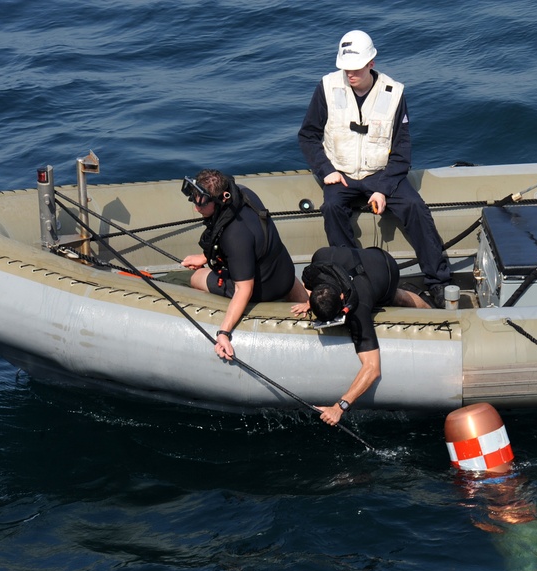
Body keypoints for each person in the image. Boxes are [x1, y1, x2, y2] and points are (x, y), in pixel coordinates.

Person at [298, 29, 452, 308]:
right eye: (345, 68)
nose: (349, 74)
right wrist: (325, 170)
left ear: (371, 63)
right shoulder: (326, 87)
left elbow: (402, 149)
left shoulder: (394, 94)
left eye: (355, 68)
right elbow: (308, 135)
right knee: (331, 208)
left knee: (415, 207)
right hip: (340, 174)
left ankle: (438, 281)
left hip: (381, 174)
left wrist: (382, 189)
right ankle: (350, 278)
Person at [290, 246, 430, 426]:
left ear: (342, 298)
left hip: (384, 265)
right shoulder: (319, 261)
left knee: (396, 298)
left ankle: (430, 308)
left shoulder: (359, 308)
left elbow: (372, 368)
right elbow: (316, 286)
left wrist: (340, 406)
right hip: (354, 257)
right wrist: (314, 301)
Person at [180, 169, 308, 359]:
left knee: (197, 277)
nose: (196, 208)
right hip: (285, 274)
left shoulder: (234, 236)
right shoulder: (244, 193)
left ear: (219, 200)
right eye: (194, 198)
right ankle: (306, 297)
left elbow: (244, 290)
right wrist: (204, 256)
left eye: (202, 203)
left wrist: (224, 332)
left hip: (263, 289)